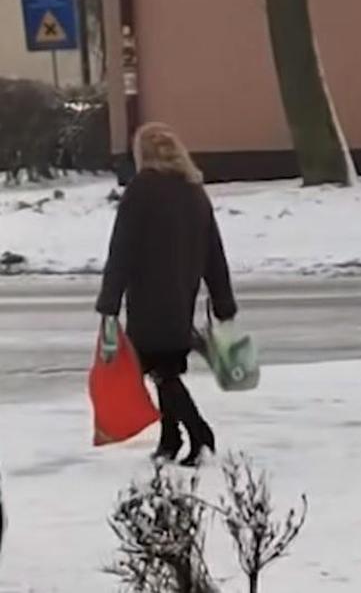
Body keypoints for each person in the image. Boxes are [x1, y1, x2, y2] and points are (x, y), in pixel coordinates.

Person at [96, 122, 237, 467]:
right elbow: (213, 252)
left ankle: (199, 433)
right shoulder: (194, 192)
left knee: (161, 370)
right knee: (166, 364)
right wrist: (223, 302)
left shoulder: (142, 190)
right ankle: (170, 438)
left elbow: (122, 250)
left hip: (147, 296)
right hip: (181, 294)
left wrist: (109, 305)